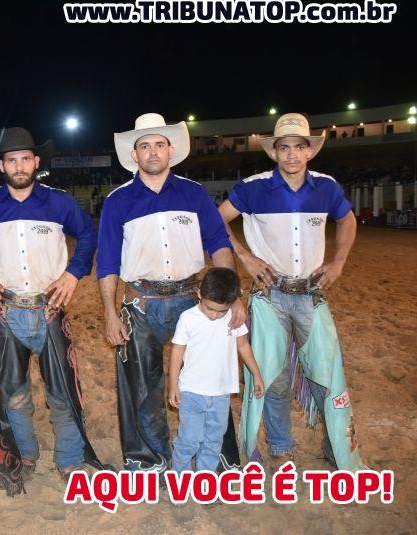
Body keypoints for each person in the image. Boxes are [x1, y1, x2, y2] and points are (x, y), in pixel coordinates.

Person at [0, 127, 105, 496]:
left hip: (50, 309)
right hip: (6, 310)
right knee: (13, 392)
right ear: (1, 165)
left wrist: (74, 273)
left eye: (26, 158)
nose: (19, 165)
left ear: (36, 162)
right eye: (12, 159)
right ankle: (24, 451)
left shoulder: (59, 202)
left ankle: (70, 457)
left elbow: (88, 234)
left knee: (63, 390)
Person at [97, 113, 245, 473]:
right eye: (144, 145)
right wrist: (109, 312)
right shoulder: (117, 202)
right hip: (140, 301)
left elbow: (219, 246)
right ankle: (151, 460)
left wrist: (233, 295)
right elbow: (107, 262)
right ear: (134, 155)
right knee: (142, 386)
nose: (152, 151)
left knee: (207, 381)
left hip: (191, 298)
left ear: (170, 150)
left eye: (158, 144)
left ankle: (219, 460)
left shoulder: (194, 194)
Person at [219, 113, 365, 470]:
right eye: (284, 148)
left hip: (312, 295)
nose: (292, 155)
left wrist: (339, 261)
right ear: (274, 153)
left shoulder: (327, 188)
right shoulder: (252, 188)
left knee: (326, 373)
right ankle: (282, 447)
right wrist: (245, 257)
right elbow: (215, 219)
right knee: (273, 378)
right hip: (270, 296)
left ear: (310, 151)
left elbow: (347, 220)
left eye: (299, 147)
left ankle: (337, 449)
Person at [168, 268, 264, 472]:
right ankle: (179, 480)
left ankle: (205, 481)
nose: (214, 315)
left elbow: (243, 346)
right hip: (192, 391)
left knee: (213, 442)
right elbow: (177, 351)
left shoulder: (233, 317)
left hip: (221, 394)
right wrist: (173, 385)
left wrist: (256, 374)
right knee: (189, 441)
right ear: (199, 294)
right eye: (209, 308)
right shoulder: (188, 318)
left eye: (221, 311)